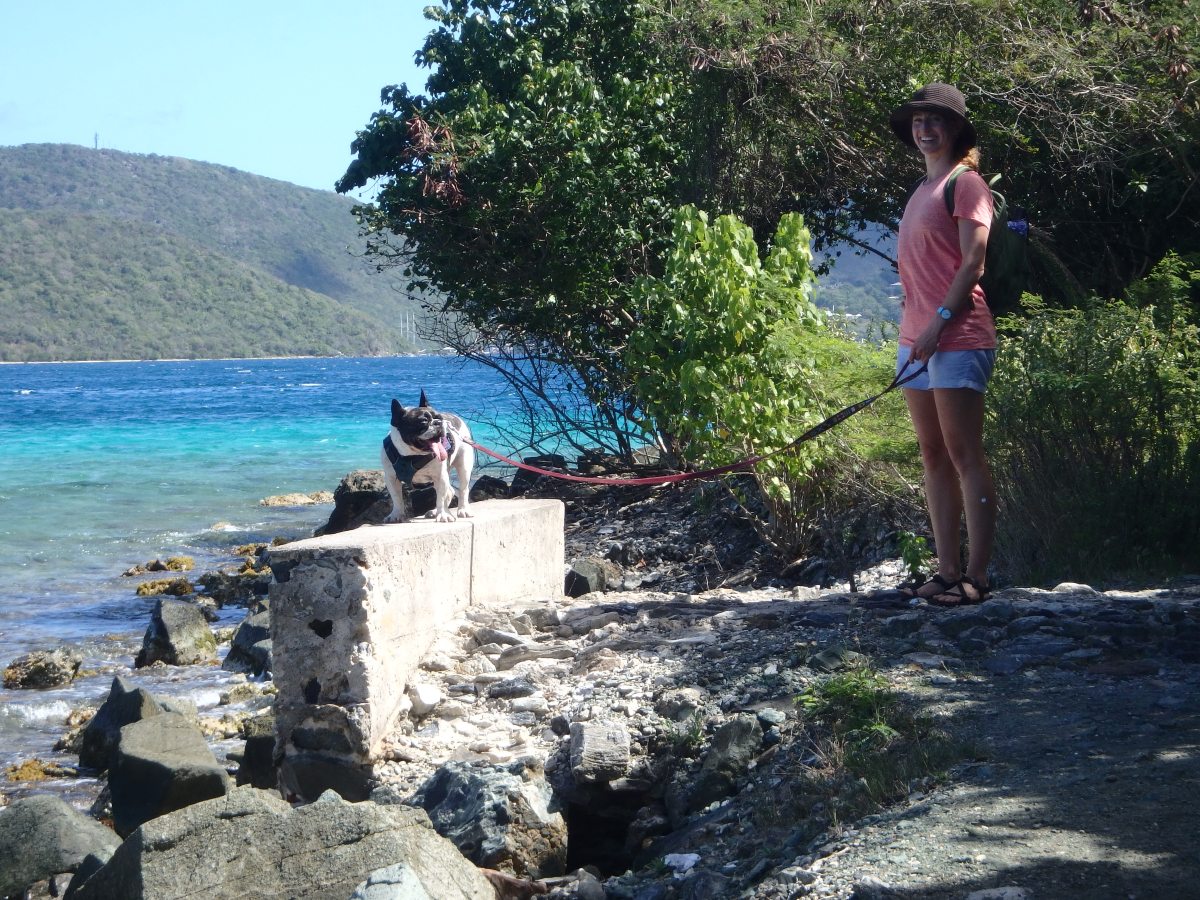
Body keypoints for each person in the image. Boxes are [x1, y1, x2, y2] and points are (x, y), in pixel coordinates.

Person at [889, 82, 996, 605]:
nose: (924, 129)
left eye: (934, 120)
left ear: (954, 129)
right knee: (932, 454)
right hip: (916, 340)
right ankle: (947, 570)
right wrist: (918, 331)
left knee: (963, 453)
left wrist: (939, 323)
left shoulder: (966, 184)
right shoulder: (921, 188)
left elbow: (973, 263)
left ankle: (977, 576)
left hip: (957, 336)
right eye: (917, 121)